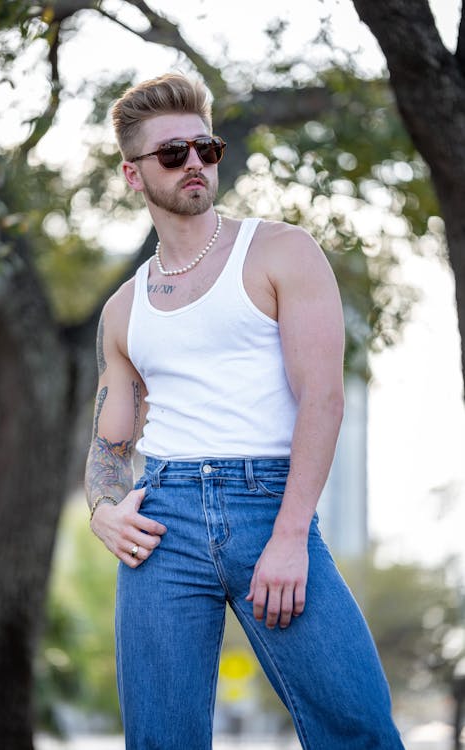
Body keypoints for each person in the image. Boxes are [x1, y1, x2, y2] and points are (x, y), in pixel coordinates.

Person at [84, 72, 405, 749]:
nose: (195, 162)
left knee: (359, 728)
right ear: (134, 175)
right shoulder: (122, 309)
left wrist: (290, 537)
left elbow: (322, 397)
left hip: (270, 507)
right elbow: (110, 447)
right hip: (162, 523)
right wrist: (103, 510)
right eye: (173, 153)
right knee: (160, 741)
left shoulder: (282, 251)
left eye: (206, 147)